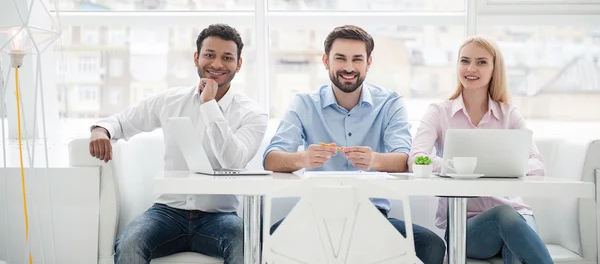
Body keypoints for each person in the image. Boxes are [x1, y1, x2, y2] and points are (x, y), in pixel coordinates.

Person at [263, 25, 446, 264]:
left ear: (368, 63)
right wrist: (302, 159)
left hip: (373, 217)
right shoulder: (304, 104)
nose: (349, 67)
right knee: (267, 240)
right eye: (340, 58)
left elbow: (404, 158)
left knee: (430, 245)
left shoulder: (390, 104)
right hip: (313, 215)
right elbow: (271, 158)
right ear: (325, 61)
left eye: (357, 59)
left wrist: (375, 160)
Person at [88, 24, 268, 264]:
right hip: (166, 213)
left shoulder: (252, 114)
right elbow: (121, 121)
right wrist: (101, 130)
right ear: (196, 58)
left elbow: (233, 161)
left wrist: (208, 105)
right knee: (130, 244)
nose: (217, 64)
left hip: (220, 216)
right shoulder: (170, 101)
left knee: (246, 248)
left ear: (239, 64)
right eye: (209, 55)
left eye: (227, 58)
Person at [408, 35, 553, 264]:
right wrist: (457, 168)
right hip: (467, 228)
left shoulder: (509, 114)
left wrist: (508, 166)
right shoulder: (438, 112)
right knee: (503, 216)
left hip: (518, 218)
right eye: (465, 61)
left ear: (495, 69)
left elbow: (537, 164)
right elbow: (416, 159)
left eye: (481, 62)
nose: (471, 68)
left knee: (514, 244)